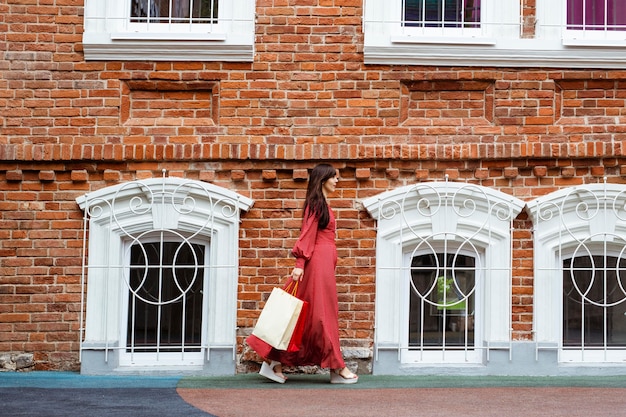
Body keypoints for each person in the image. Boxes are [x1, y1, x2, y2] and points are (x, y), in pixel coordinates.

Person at [246, 163, 359, 384]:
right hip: (316, 266)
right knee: (320, 316)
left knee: (312, 317)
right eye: (334, 177)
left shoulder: (323, 204)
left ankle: (273, 362)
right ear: (323, 179)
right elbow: (307, 235)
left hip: (324, 266)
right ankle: (336, 367)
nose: (337, 181)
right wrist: (299, 264)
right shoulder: (316, 204)